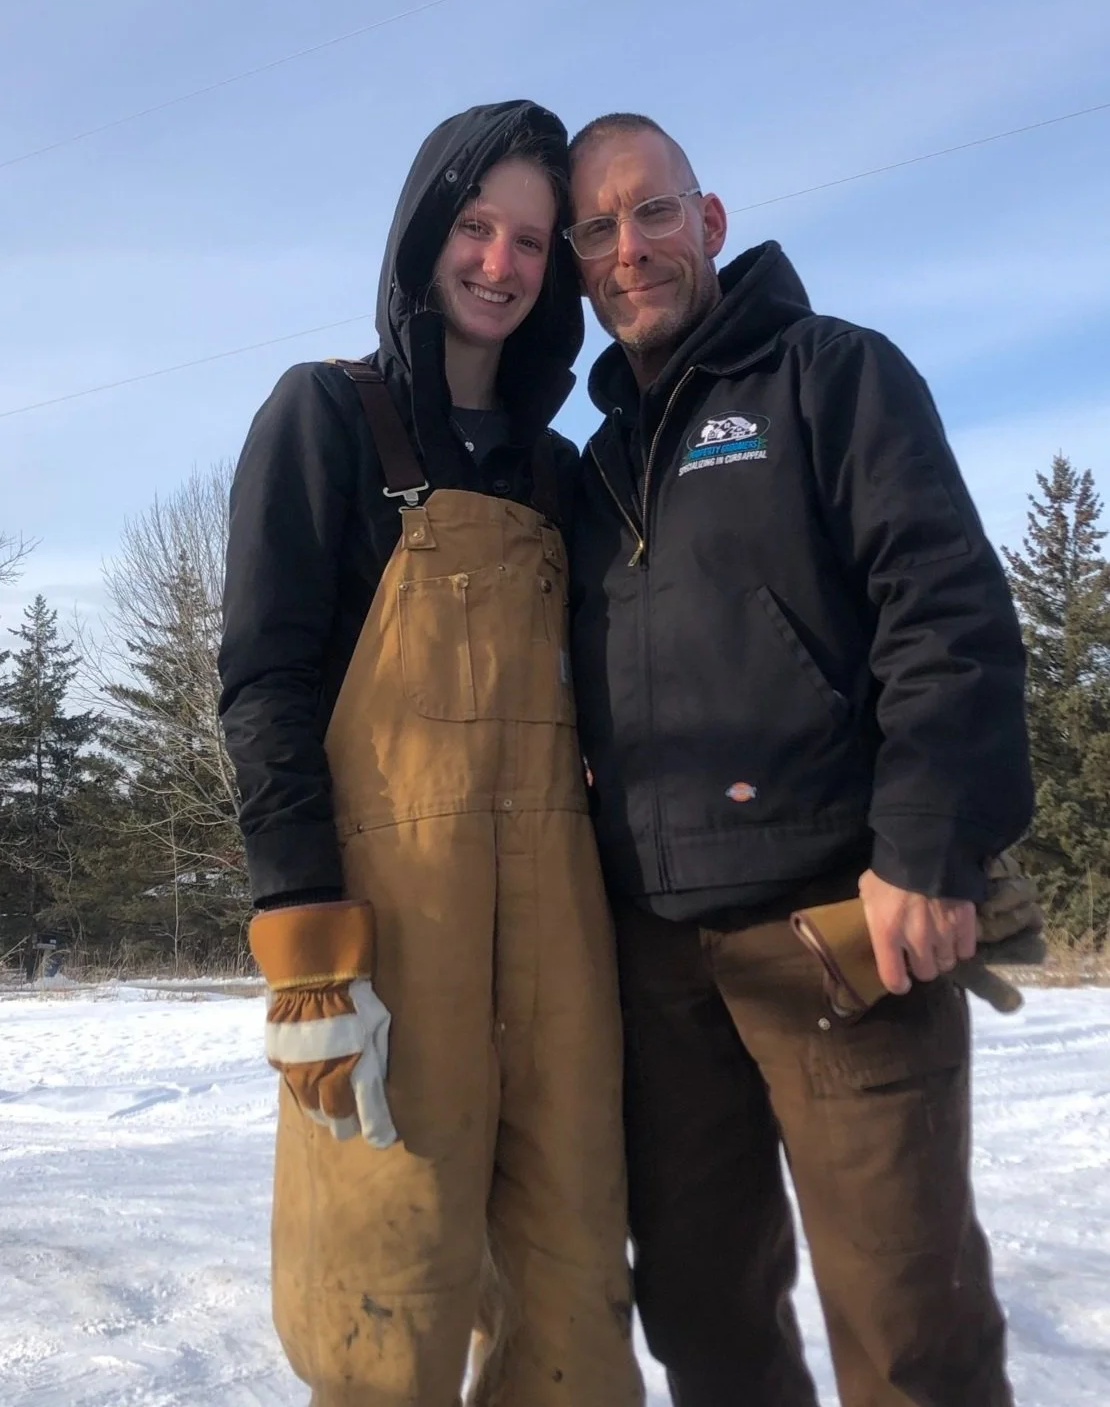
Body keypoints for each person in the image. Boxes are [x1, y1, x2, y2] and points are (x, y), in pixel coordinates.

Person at [565, 111, 1034, 1407]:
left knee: (908, 1331)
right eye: (596, 227)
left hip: (840, 928)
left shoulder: (831, 376)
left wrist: (928, 848)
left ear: (708, 221)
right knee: (703, 1320)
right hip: (656, 958)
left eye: (652, 210)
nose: (628, 246)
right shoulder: (593, 467)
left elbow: (945, 613)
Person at [218, 100, 643, 1407]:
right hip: (393, 942)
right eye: (474, 225)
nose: (500, 264)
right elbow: (267, 685)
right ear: (421, 232)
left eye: (531, 241)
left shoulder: (561, 475)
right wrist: (305, 943)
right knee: (385, 1296)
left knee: (574, 1295)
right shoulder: (325, 417)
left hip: (559, 947)